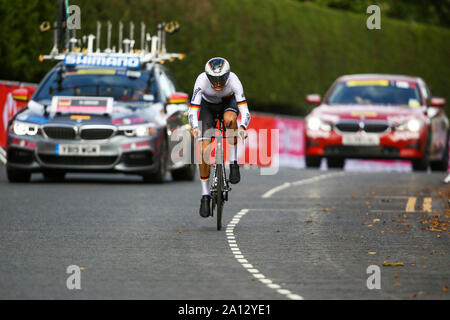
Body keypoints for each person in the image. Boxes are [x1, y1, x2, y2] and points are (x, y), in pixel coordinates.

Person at [188, 57, 251, 217]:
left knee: (230, 120)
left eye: (221, 79)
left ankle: (234, 163)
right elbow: (193, 110)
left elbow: (245, 111)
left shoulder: (234, 81)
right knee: (203, 150)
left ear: (228, 75)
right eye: (213, 80)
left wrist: (243, 127)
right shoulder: (201, 80)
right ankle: (205, 195)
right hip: (207, 107)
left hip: (228, 104)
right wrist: (195, 128)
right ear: (207, 77)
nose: (217, 84)